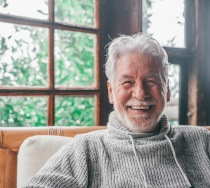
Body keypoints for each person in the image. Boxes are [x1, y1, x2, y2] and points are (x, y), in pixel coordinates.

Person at [22, 33, 210, 188]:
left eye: (151, 82)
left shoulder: (202, 141)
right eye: (127, 82)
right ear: (111, 91)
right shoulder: (85, 150)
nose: (140, 94)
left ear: (167, 91)